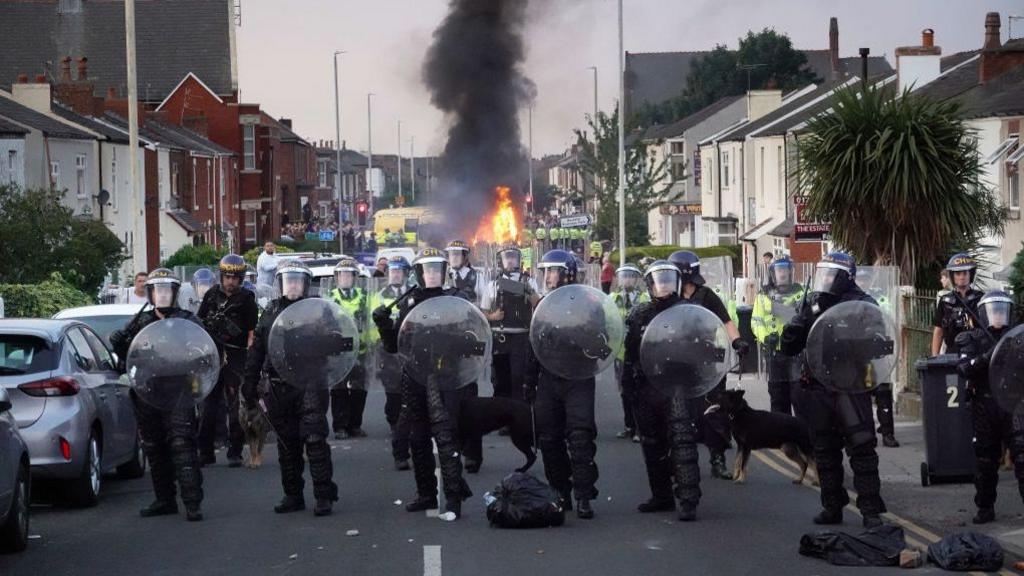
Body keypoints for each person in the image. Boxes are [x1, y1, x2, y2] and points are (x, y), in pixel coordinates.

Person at [781, 252, 886, 528]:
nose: (824, 280)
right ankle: (832, 507)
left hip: (850, 387)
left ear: (844, 276)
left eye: (830, 274)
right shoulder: (813, 304)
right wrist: (796, 326)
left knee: (862, 449)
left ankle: (871, 511)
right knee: (825, 451)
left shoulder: (863, 304)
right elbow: (789, 347)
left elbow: (878, 342)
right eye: (822, 274)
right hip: (818, 386)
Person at [372, 248, 473, 518]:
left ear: (443, 271)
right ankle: (426, 494)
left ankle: (453, 499)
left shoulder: (456, 299)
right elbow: (395, 345)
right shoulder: (410, 301)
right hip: (415, 375)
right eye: (427, 270)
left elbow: (470, 338)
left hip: (447, 376)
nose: (432, 274)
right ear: (419, 273)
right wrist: (383, 324)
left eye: (436, 269)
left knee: (446, 437)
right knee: (417, 438)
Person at [109, 268, 209, 521]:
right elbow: (127, 359)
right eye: (158, 290)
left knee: (182, 443)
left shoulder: (189, 321)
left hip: (179, 391)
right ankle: (164, 499)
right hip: (149, 391)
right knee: (154, 447)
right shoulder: (139, 323)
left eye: (167, 290)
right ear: (151, 294)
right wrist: (119, 342)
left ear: (174, 293)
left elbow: (204, 351)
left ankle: (192, 502)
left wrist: (196, 388)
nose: (163, 295)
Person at [243, 260, 339, 517]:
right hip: (279, 386)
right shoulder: (271, 311)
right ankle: (293, 494)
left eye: (298, 280)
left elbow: (337, 341)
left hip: (310, 382)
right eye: (289, 280)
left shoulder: (319, 310)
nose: (293, 284)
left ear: (305, 284)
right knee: (287, 444)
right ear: (281, 283)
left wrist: (327, 339)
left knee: (315, 439)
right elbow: (257, 350)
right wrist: (249, 383)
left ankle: (323, 495)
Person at [622, 260, 702, 520]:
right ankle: (662, 496)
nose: (664, 285)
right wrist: (628, 384)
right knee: (652, 444)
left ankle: (688, 499)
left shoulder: (689, 311)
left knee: (682, 441)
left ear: (676, 282)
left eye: (668, 280)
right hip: (647, 385)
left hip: (676, 385)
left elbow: (704, 346)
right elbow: (630, 353)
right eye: (659, 280)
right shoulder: (639, 314)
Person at [524, 249, 599, 519]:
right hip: (549, 378)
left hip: (578, 377)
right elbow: (535, 343)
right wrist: (529, 380)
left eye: (553, 271)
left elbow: (599, 338)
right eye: (546, 271)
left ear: (567, 273)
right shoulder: (543, 304)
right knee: (550, 439)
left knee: (580, 437)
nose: (548, 276)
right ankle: (560, 491)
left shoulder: (588, 303)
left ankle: (583, 495)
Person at [669, 250, 748, 481]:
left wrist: (737, 341)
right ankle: (679, 461)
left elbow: (726, 321)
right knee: (680, 412)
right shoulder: (670, 296)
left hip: (706, 360)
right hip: (679, 361)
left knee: (714, 411)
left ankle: (717, 459)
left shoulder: (706, 296)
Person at [955, 291, 1024, 524]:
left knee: (1022, 456)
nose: (998, 315)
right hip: (984, 404)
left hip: (1014, 404)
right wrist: (988, 356)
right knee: (986, 460)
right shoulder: (971, 338)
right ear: (984, 313)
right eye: (994, 310)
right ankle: (985, 507)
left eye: (1002, 310)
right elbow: (964, 368)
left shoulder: (1018, 337)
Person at [196, 254, 259, 468]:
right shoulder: (211, 295)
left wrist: (234, 332)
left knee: (235, 405)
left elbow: (253, 330)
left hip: (236, 354)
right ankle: (205, 451)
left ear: (241, 279)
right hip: (212, 354)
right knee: (208, 405)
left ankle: (235, 451)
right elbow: (199, 321)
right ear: (221, 277)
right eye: (227, 277)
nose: (230, 281)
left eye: (235, 277)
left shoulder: (247, 299)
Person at [481, 242, 539, 404]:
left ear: (519, 260)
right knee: (500, 381)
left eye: (513, 257)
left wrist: (527, 290)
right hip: (501, 338)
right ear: (501, 261)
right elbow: (482, 312)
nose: (510, 261)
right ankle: (503, 420)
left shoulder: (530, 283)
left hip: (522, 338)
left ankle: (520, 419)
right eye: (507, 258)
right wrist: (493, 317)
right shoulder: (492, 285)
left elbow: (538, 305)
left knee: (520, 379)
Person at [372, 256, 413, 470]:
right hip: (388, 349)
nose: (395, 274)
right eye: (392, 271)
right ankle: (393, 422)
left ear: (406, 273)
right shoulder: (381, 295)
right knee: (393, 392)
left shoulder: (413, 295)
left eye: (399, 271)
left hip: (409, 350)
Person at [751, 256, 804, 415]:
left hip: (795, 351)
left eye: (785, 270)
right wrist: (765, 337)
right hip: (774, 351)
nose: (782, 274)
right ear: (773, 273)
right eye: (779, 270)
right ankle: (782, 434)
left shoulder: (801, 292)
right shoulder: (763, 295)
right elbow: (756, 321)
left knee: (799, 394)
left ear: (790, 272)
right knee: (777, 395)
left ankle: (802, 433)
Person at [329, 258, 371, 440]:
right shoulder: (329, 297)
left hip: (360, 351)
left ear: (355, 277)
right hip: (338, 353)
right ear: (337, 278)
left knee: (359, 390)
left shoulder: (365, 296)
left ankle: (355, 425)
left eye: (348, 275)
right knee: (338, 390)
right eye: (342, 275)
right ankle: (340, 427)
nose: (345, 278)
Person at [611, 264, 647, 441]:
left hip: (639, 351)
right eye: (623, 276)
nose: (627, 280)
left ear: (636, 279)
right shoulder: (613, 298)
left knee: (639, 390)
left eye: (631, 276)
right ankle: (629, 425)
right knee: (624, 391)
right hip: (620, 352)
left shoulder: (644, 298)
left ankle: (640, 427)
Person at [933, 253, 985, 357]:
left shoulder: (981, 299)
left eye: (965, 273)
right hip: (952, 353)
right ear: (952, 276)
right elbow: (938, 330)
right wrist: (934, 357)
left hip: (976, 354)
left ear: (971, 274)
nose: (962, 277)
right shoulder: (945, 301)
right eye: (958, 273)